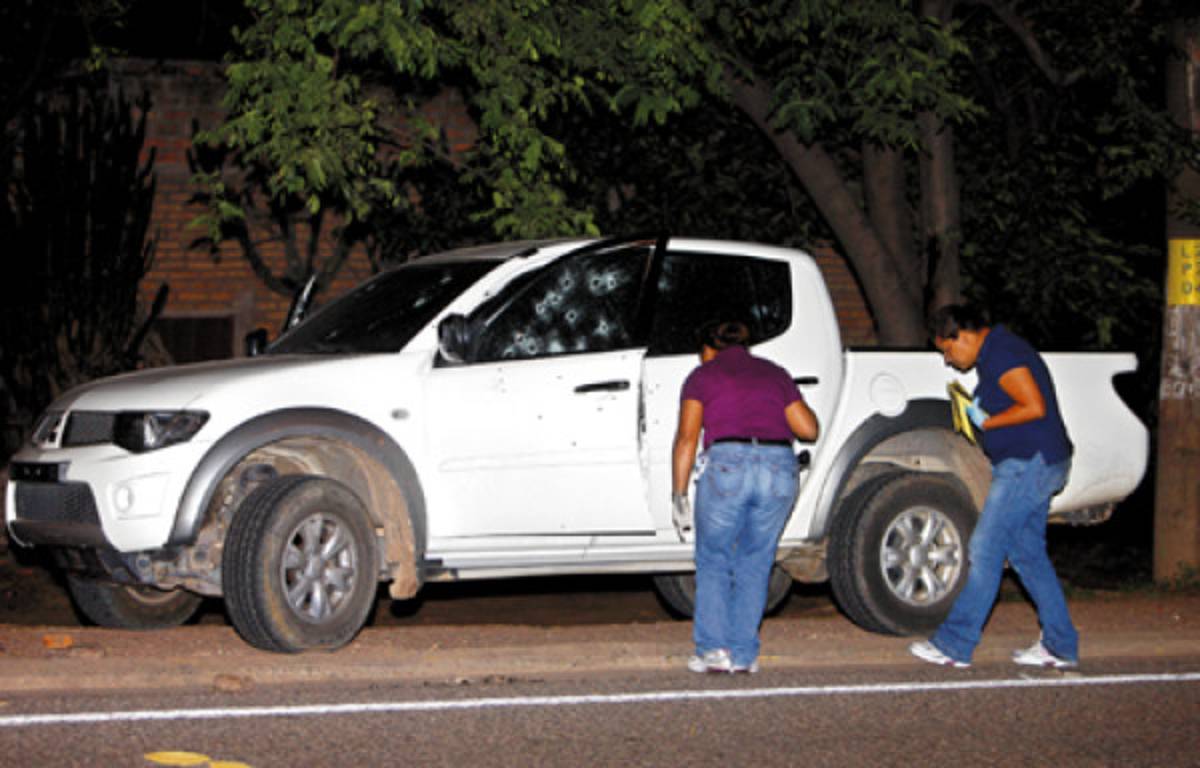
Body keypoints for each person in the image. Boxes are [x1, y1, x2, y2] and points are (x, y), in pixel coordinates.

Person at [910, 304, 1078, 670]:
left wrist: (990, 422)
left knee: (985, 549)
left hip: (1028, 464)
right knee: (1028, 555)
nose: (948, 360)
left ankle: (955, 644)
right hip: (1039, 462)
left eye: (947, 350)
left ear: (962, 335)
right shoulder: (997, 353)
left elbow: (1033, 405)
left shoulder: (1002, 353)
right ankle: (1060, 644)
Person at [672, 320, 819, 674]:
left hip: (729, 464)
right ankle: (743, 655)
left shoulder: (702, 376)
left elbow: (688, 438)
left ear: (708, 349)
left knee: (714, 558)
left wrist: (678, 494)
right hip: (778, 467)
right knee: (756, 560)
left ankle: (712, 650)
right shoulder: (775, 374)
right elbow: (808, 429)